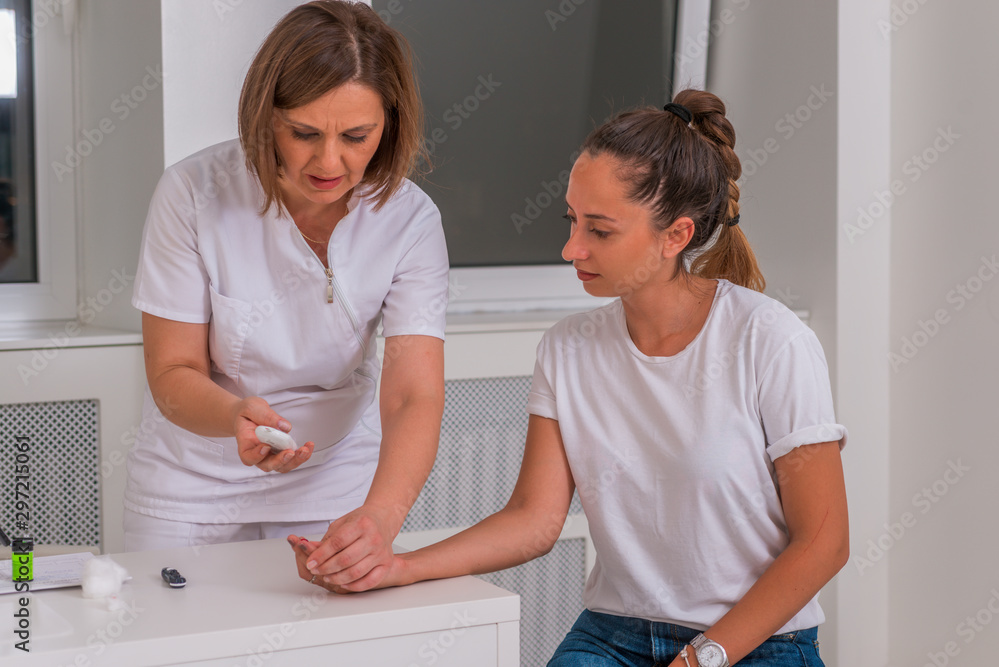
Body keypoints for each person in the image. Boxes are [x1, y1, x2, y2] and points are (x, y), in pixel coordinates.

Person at [290, 89, 849, 666]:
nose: (570, 247)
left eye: (600, 231)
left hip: (754, 641)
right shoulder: (568, 349)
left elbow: (824, 542)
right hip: (614, 634)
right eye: (572, 220)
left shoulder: (771, 341)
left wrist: (703, 656)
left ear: (675, 236)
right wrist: (397, 566)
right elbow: (534, 518)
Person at [125, 0, 448, 591]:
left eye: (357, 136)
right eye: (303, 133)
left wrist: (379, 517)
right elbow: (172, 370)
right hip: (193, 478)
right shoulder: (192, 194)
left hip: (335, 475)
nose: (330, 161)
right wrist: (232, 416)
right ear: (264, 117)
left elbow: (413, 394)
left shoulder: (410, 220)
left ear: (390, 124)